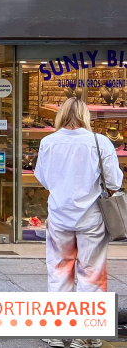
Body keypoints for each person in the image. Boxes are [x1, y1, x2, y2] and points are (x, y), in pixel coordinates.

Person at [35, 97, 123, 348]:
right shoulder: (100, 142)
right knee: (91, 274)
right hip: (92, 217)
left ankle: (56, 331)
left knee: (59, 272)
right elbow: (114, 182)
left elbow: (42, 177)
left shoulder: (48, 142)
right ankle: (86, 334)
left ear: (60, 115)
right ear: (86, 116)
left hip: (60, 215)